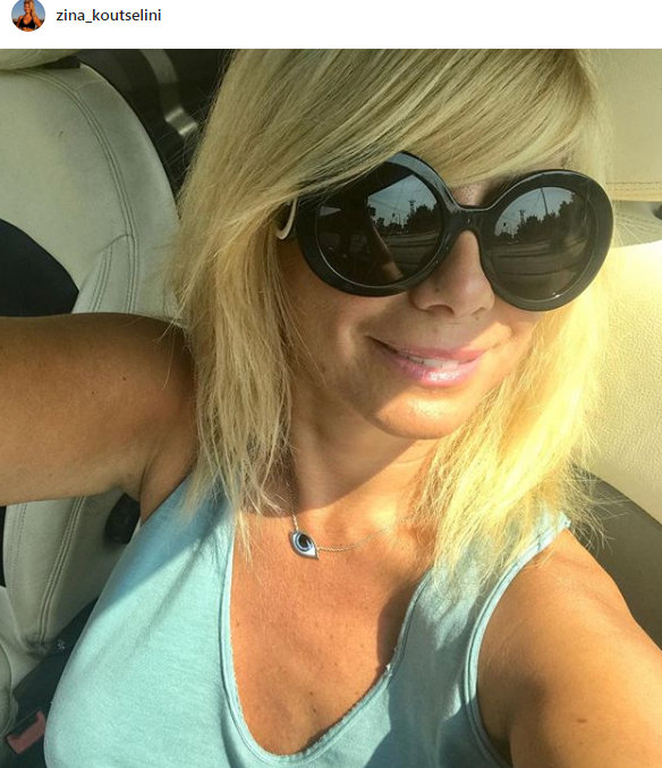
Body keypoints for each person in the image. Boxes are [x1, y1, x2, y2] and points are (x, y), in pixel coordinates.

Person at [29, 50, 662, 765]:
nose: (464, 292)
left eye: (535, 227)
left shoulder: (552, 631)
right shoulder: (168, 405)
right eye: (390, 215)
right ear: (266, 218)